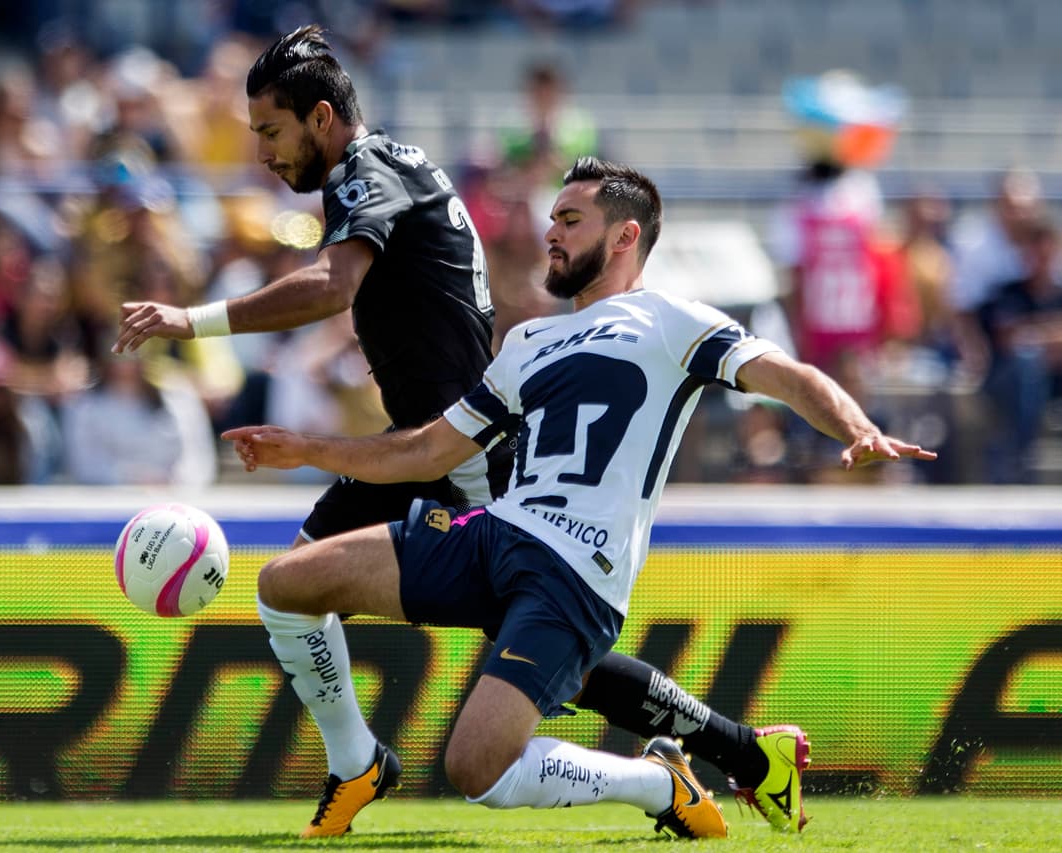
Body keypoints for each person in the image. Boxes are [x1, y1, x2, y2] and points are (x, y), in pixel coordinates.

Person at [114, 27, 812, 837]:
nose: (264, 154)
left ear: (323, 117)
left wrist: (188, 321)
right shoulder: (387, 170)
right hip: (421, 438)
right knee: (293, 587)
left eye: (271, 132)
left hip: (463, 447)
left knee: (537, 642)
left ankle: (714, 763)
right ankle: (359, 763)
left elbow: (334, 286)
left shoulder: (367, 170)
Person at [225, 158, 936, 838]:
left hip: (573, 574)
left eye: (570, 218)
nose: (551, 232)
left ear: (626, 236)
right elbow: (426, 449)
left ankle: (662, 784)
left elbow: (786, 374)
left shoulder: (672, 321)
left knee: (475, 767)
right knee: (287, 582)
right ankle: (358, 763)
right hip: (492, 535)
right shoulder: (529, 339)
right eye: (552, 218)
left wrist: (858, 425)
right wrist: (308, 447)